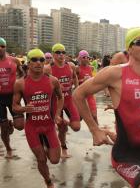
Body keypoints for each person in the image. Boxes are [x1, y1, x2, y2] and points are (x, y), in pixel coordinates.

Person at [73, 27, 140, 188]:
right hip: (125, 156)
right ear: (129, 49)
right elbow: (78, 94)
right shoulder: (115, 74)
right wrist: (94, 129)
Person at [12, 49, 63, 188]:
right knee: (41, 159)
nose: (38, 63)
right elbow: (14, 106)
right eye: (34, 60)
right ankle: (48, 181)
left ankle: (46, 147)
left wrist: (57, 114)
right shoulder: (20, 83)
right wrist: (24, 109)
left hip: (49, 126)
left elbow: (60, 97)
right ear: (28, 63)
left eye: (41, 60)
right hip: (32, 127)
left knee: (54, 160)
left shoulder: (53, 81)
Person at [44, 43, 80, 158]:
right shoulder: (48, 68)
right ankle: (63, 147)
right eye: (58, 52)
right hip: (56, 102)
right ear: (53, 54)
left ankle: (63, 125)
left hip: (69, 100)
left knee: (76, 127)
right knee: (62, 128)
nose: (61, 55)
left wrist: (76, 88)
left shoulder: (71, 66)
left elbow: (74, 77)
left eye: (63, 52)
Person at [0, 37, 25, 158]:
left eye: (2, 46)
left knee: (20, 126)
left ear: (5, 47)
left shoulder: (14, 61)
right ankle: (8, 148)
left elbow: (22, 74)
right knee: (3, 128)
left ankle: (11, 123)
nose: (0, 48)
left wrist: (19, 83)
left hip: (12, 95)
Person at [76, 50, 97, 124]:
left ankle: (98, 133)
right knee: (78, 119)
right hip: (81, 96)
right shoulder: (77, 69)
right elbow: (73, 83)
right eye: (84, 57)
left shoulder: (91, 68)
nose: (86, 59)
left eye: (87, 57)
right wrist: (82, 80)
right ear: (80, 58)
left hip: (90, 95)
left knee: (94, 117)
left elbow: (94, 80)